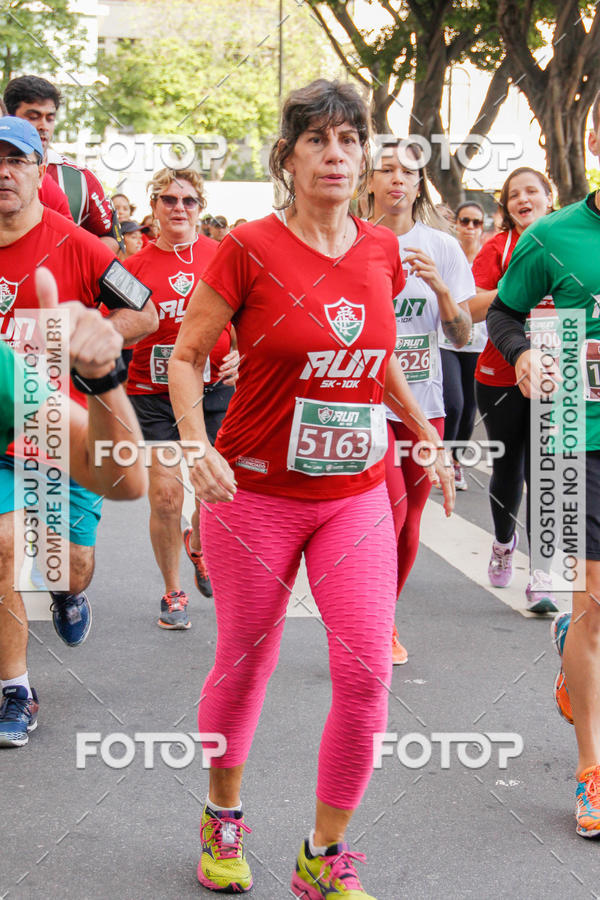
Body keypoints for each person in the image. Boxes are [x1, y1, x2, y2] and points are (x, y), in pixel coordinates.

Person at [169, 79, 453, 899]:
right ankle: (224, 816)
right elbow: (187, 356)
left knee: (367, 671)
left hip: (356, 493)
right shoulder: (250, 246)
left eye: (350, 140)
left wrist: (425, 433)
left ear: (365, 157)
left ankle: (321, 858)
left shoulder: (380, 250)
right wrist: (196, 448)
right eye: (318, 140)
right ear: (287, 157)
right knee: (246, 662)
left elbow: (379, 359)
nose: (337, 154)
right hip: (253, 490)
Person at [0, 115, 156, 740]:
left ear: (42, 170)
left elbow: (143, 310)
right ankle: (15, 687)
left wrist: (100, 336)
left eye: (17, 160)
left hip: (70, 435)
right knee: (7, 548)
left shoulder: (82, 246)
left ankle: (66, 592)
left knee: (73, 566)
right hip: (5, 432)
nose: (3, 172)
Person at [486, 88, 600, 837]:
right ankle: (593, 772)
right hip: (575, 435)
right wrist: (526, 356)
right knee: (593, 602)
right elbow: (502, 312)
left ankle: (571, 653)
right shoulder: (554, 236)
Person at [367, 140, 473, 664]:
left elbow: (459, 336)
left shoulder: (443, 247)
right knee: (387, 511)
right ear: (368, 182)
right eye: (385, 170)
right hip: (365, 404)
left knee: (410, 522)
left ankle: (383, 618)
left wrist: (443, 291)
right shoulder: (353, 241)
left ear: (417, 183)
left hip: (422, 405)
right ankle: (370, 620)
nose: (396, 179)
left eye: (407, 171)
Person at [125, 167, 238, 629]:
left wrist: (243, 355)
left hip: (213, 391)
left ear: (200, 209)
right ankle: (172, 590)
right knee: (167, 498)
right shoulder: (132, 268)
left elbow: (255, 315)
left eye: (189, 201)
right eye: (169, 200)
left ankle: (201, 545)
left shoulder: (222, 256)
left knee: (214, 491)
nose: (179, 208)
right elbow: (112, 324)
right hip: (153, 396)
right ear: (153, 206)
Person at [471, 166, 557, 613]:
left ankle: (541, 574)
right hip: (500, 375)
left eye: (532, 192)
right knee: (509, 467)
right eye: (513, 195)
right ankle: (503, 543)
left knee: (545, 474)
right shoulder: (497, 248)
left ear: (549, 197)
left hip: (557, 373)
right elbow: (472, 308)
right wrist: (514, 286)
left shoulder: (569, 240)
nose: (523, 199)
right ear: (505, 207)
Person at [4, 75, 123, 252]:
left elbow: (112, 239)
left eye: (49, 118)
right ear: (8, 116)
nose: (43, 126)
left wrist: (67, 262)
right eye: (33, 117)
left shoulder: (80, 179)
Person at [439, 201, 487, 489]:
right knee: (453, 403)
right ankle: (442, 457)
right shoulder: (448, 255)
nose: (470, 227)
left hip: (479, 343)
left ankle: (456, 461)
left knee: (469, 408)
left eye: (476, 222)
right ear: (456, 224)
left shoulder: (488, 258)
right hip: (447, 341)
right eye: (465, 221)